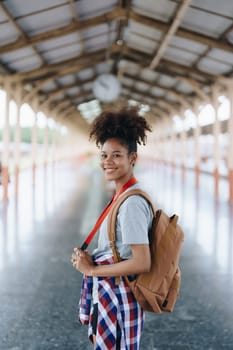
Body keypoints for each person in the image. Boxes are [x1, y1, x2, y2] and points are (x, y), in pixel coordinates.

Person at [71, 107, 153, 349]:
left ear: (132, 158)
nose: (107, 162)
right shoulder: (120, 196)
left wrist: (92, 270)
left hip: (119, 298)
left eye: (116, 155)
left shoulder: (132, 203)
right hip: (110, 295)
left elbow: (142, 262)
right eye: (104, 155)